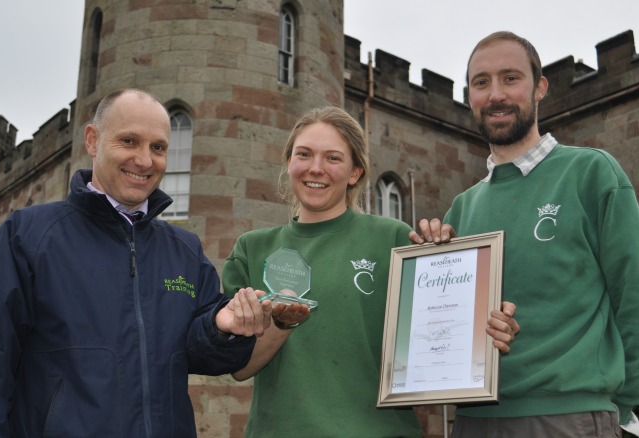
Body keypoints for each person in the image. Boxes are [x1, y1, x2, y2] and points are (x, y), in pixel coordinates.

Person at [0, 89, 272, 437]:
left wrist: (222, 328)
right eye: (129, 141)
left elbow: (205, 358)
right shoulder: (27, 235)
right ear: (92, 141)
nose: (145, 161)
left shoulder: (184, 249)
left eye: (158, 147)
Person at [412, 32, 639, 438]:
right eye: (481, 83)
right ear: (469, 96)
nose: (495, 94)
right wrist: (425, 274)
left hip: (570, 418)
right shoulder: (461, 208)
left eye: (510, 78)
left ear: (540, 88)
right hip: (473, 423)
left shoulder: (591, 173)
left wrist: (617, 402)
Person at [222, 106, 519, 437]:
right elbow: (240, 367)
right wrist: (281, 322)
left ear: (355, 173)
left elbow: (446, 329)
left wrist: (486, 322)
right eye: (304, 154)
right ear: (289, 162)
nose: (315, 168)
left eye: (333, 158)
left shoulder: (393, 238)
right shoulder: (251, 248)